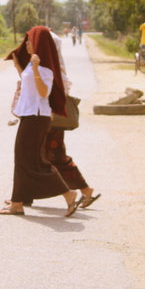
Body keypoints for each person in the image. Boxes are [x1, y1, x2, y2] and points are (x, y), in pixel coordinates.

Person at [0, 26, 79, 217]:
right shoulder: (33, 66)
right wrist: (20, 66)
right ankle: (17, 202)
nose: (26, 44)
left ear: (39, 44)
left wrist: (34, 68)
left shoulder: (44, 68)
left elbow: (43, 93)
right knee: (26, 158)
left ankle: (67, 193)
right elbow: (29, 87)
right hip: (30, 116)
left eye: (30, 41)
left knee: (29, 159)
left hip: (36, 117)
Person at [45, 30, 100, 208]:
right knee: (45, 156)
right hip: (49, 117)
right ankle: (24, 196)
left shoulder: (53, 68)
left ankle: (84, 189)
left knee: (54, 156)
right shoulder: (54, 66)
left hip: (52, 119)